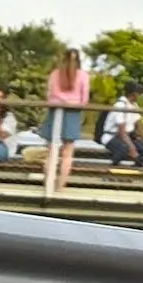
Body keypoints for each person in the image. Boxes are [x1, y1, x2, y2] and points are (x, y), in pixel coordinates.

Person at [40, 47, 89, 190]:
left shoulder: (55, 74)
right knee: (68, 152)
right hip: (72, 113)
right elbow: (84, 99)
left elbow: (49, 95)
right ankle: (60, 185)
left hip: (54, 111)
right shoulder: (83, 75)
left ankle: (48, 183)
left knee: (51, 150)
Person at [102, 81, 143, 167]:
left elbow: (139, 125)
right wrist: (132, 147)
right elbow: (122, 131)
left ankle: (136, 167)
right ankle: (112, 168)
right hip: (113, 137)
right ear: (134, 94)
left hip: (128, 137)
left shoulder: (134, 105)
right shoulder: (120, 106)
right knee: (124, 148)